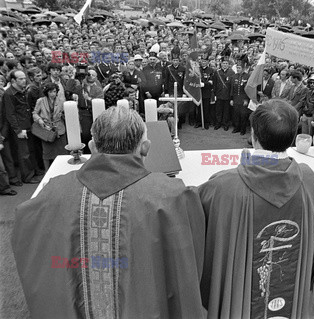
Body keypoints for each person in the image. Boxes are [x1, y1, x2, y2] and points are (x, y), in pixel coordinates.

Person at [12, 106, 206, 318]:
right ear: (146, 148)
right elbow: (187, 263)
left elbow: (27, 236)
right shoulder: (172, 195)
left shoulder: (54, 193)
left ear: (93, 146)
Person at [199, 99, 314, 318]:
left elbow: (194, 217)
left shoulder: (224, 185)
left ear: (253, 136)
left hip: (241, 295)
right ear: (293, 137)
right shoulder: (308, 179)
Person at [32, 82, 67, 169]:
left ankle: (62, 168)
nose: (53, 94)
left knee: (62, 151)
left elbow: (65, 114)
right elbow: (35, 113)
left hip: (59, 128)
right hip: (46, 129)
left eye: (54, 92)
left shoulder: (61, 101)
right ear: (47, 92)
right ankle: (47, 171)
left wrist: (62, 115)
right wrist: (40, 120)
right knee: (47, 153)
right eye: (50, 92)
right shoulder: (41, 101)